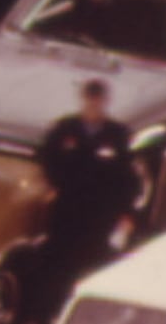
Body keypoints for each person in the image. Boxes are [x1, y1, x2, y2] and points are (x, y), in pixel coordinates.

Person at [35, 79, 143, 297]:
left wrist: (127, 214)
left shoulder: (118, 134)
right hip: (68, 212)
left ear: (106, 101)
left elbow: (129, 179)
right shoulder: (65, 130)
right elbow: (46, 158)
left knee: (97, 266)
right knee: (59, 269)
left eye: (98, 100)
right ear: (83, 99)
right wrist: (53, 186)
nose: (94, 105)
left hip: (101, 215)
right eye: (90, 99)